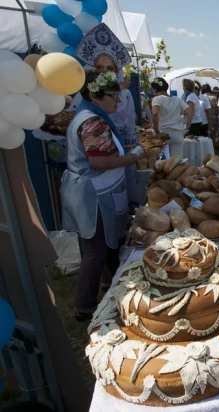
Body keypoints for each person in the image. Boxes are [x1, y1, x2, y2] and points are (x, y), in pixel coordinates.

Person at [61, 71, 144, 322]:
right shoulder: (92, 121)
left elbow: (102, 149)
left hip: (95, 191)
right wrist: (133, 157)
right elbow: (99, 161)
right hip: (94, 194)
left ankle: (111, 285)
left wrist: (125, 149)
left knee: (108, 245)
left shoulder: (92, 116)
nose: (118, 101)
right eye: (113, 95)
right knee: (96, 249)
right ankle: (84, 305)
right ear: (94, 96)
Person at [74, 24, 136, 148]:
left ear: (116, 70)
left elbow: (129, 123)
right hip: (98, 152)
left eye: (109, 68)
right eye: (99, 67)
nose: (104, 73)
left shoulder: (126, 95)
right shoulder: (85, 95)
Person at [150, 77, 191, 158]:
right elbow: (189, 111)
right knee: (177, 161)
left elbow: (155, 113)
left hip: (163, 132)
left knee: (162, 161)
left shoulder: (157, 99)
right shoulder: (177, 99)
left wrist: (156, 130)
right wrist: (187, 126)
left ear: (155, 89)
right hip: (177, 132)